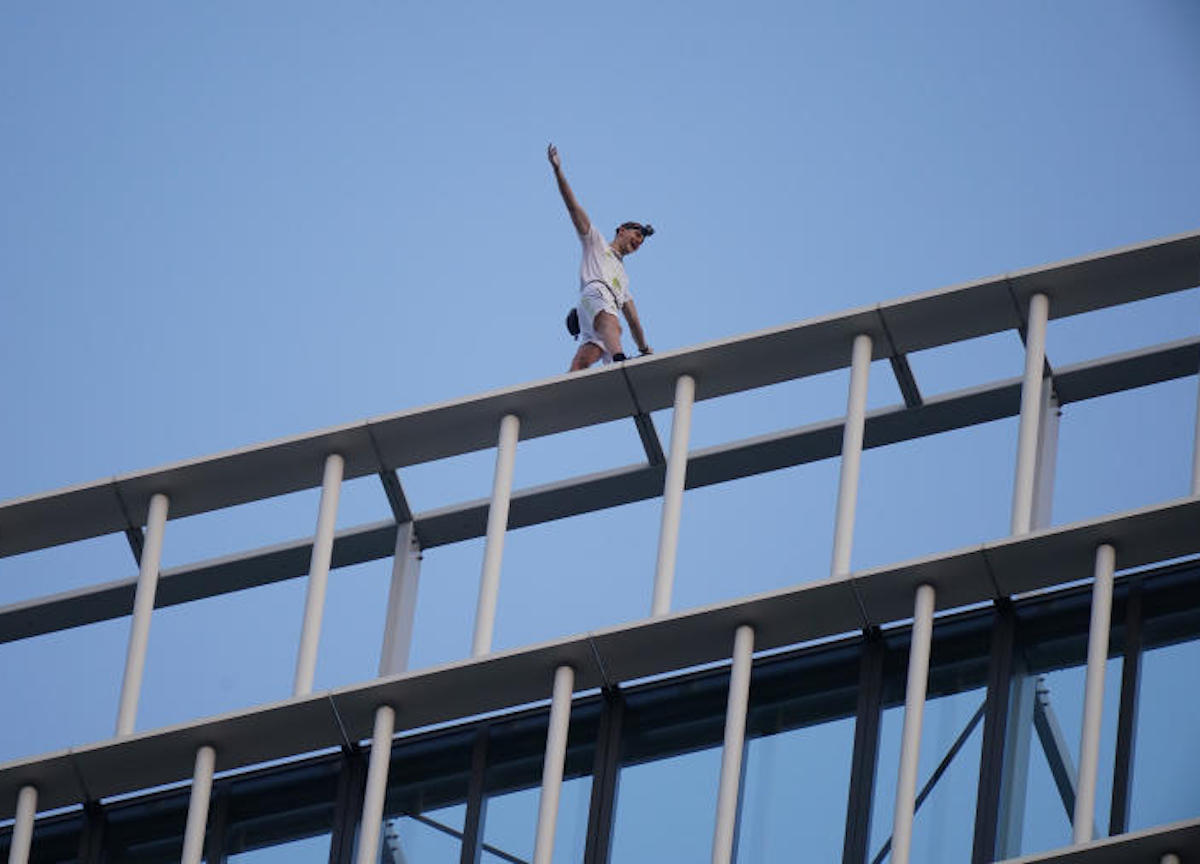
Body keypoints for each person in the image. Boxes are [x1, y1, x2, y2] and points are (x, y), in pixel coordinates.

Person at [548, 143, 654, 371]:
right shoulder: (596, 242)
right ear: (621, 230)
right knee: (611, 322)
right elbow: (573, 208)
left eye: (641, 242)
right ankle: (619, 362)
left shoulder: (624, 279)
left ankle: (570, 385)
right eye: (636, 235)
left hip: (593, 308)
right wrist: (558, 172)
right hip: (595, 293)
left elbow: (634, 320)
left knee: (589, 353)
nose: (638, 241)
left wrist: (644, 348)